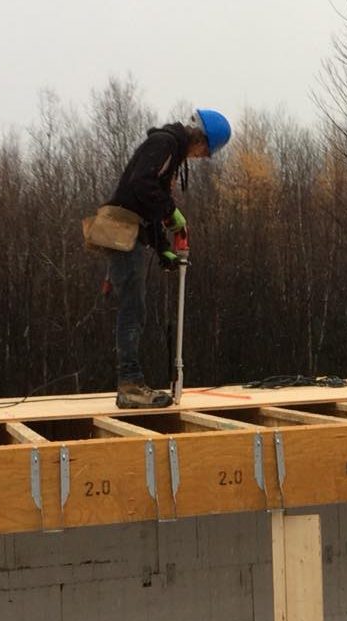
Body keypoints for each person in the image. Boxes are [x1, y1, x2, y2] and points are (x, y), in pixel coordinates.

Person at [106, 109, 231, 408]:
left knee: (135, 310)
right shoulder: (165, 144)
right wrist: (170, 212)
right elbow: (141, 185)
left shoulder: (170, 152)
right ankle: (130, 387)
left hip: (132, 230)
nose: (201, 157)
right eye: (205, 152)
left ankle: (132, 383)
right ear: (201, 141)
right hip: (122, 230)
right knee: (132, 311)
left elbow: (148, 199)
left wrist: (162, 246)